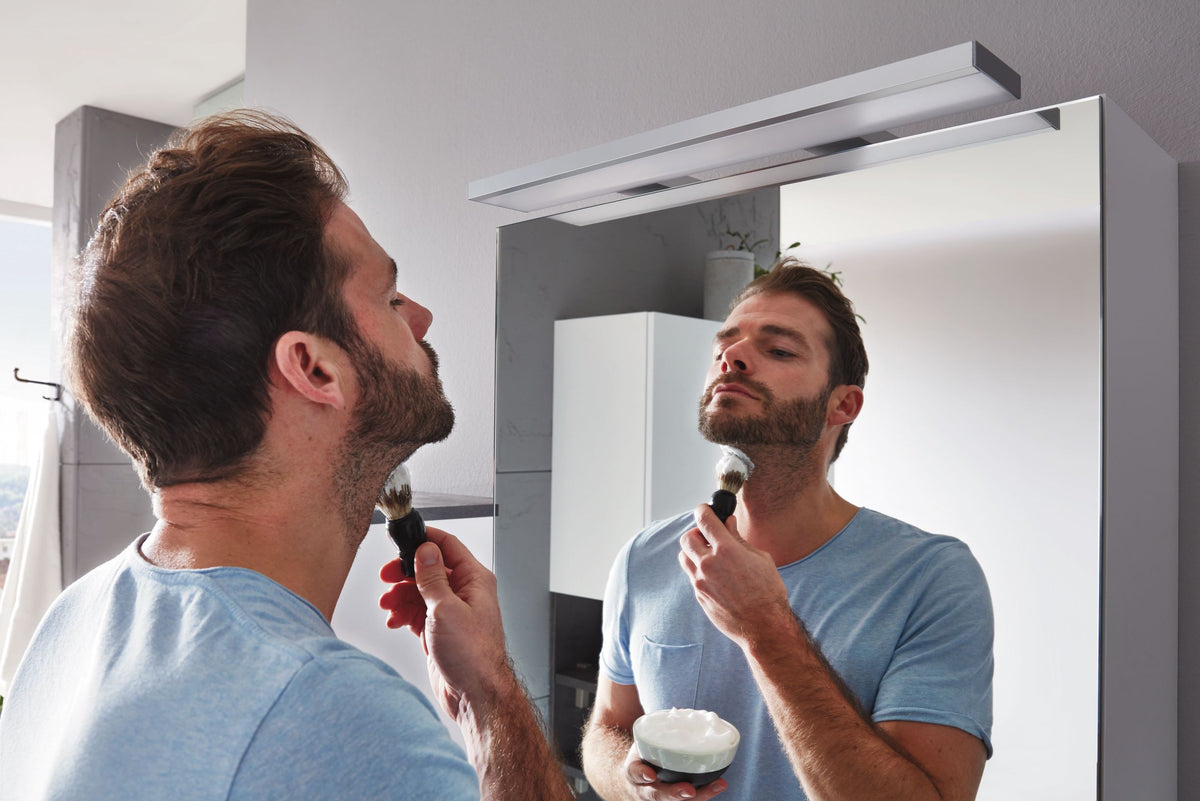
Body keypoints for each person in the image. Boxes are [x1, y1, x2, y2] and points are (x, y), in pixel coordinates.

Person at [0, 110, 572, 801]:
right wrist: (493, 698)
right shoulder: (331, 716)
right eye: (388, 296)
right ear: (313, 368)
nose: (420, 317)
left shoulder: (72, 621)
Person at [581, 259, 993, 801]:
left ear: (842, 405)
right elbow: (608, 729)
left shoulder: (931, 579)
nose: (732, 357)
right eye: (724, 346)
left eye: (778, 350)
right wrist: (629, 779)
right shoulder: (645, 556)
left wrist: (766, 628)